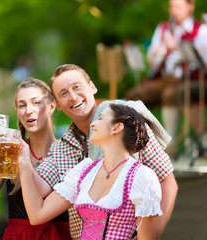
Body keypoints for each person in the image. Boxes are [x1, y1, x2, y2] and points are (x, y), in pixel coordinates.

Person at [33, 64, 178, 239]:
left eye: (77, 87)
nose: (72, 97)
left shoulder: (127, 125)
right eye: (63, 93)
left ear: (92, 87)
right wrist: (22, 153)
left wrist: (151, 234)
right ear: (59, 106)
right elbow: (39, 192)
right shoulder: (61, 148)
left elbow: (168, 181)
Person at [19, 103, 163, 239]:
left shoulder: (142, 177)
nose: (92, 124)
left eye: (100, 118)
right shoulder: (85, 170)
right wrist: (24, 161)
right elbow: (37, 215)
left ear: (117, 127)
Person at [0, 78, 71, 239]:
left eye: (36, 103)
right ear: (18, 112)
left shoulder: (68, 152)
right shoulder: (10, 148)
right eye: (22, 105)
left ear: (52, 106)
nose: (28, 110)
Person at [125, 0, 207, 157]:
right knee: (134, 94)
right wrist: (157, 53)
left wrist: (179, 48)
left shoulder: (201, 30)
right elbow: (152, 63)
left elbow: (202, 62)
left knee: (172, 93)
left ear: (191, 6)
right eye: (172, 7)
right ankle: (139, 145)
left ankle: (170, 146)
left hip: (191, 79)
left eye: (178, 7)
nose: (173, 11)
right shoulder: (163, 29)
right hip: (165, 79)